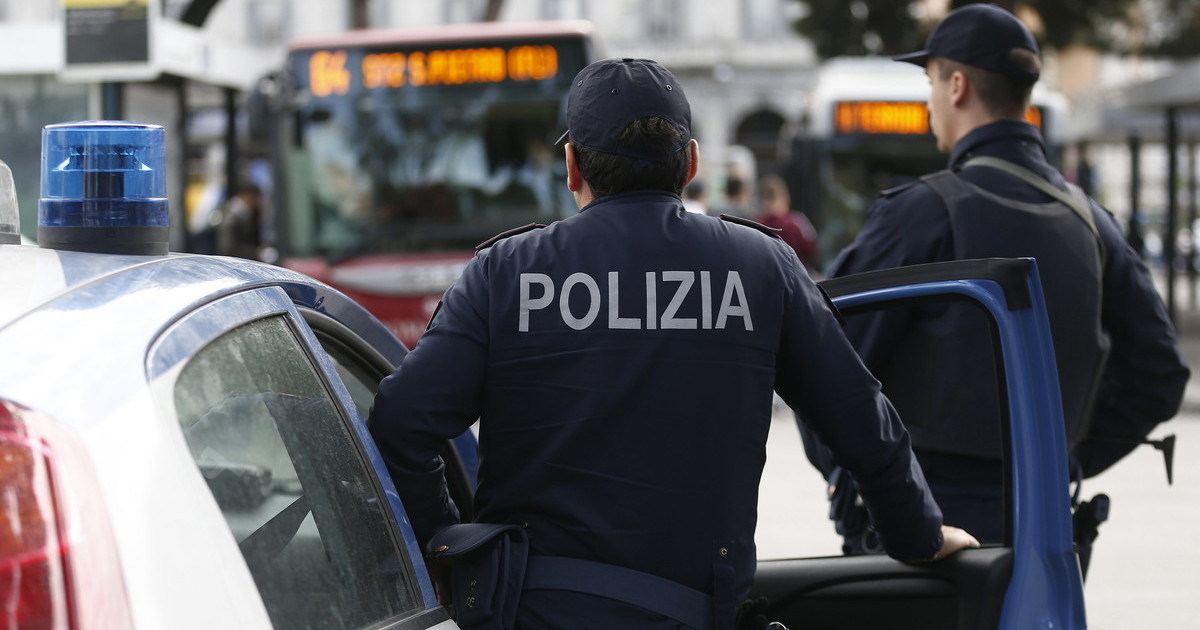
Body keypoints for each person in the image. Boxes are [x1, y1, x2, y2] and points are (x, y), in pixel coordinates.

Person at [368, 57, 977, 630]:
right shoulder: (761, 267)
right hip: (689, 612)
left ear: (573, 166)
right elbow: (863, 425)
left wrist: (445, 548)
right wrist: (917, 538)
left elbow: (401, 420)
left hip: (533, 612)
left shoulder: (505, 272)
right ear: (690, 164)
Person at [804, 4, 1190, 552]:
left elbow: (824, 360)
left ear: (957, 85)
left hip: (922, 533)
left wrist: (860, 479)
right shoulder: (1092, 223)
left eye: (931, 81)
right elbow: (1160, 374)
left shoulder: (921, 213)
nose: (931, 100)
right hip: (1046, 531)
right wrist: (1063, 458)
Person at [756, 174, 820, 272]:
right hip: (797, 279)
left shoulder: (756, 224)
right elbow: (813, 251)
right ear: (785, 196)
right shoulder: (797, 222)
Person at [215, 183, 264, 260]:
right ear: (245, 196)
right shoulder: (231, 215)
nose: (257, 202)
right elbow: (227, 247)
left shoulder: (250, 214)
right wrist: (256, 253)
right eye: (254, 198)